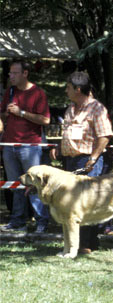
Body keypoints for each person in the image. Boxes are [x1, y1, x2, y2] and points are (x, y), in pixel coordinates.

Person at [50, 71, 113, 253]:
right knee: (71, 203)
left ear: (78, 89)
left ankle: (88, 244)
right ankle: (73, 244)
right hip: (70, 162)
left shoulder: (97, 108)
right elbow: (69, 134)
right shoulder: (70, 108)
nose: (66, 91)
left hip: (88, 161)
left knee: (86, 203)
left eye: (68, 88)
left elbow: (105, 136)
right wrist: (58, 149)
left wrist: (93, 158)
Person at [0, 59, 50, 233]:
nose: (10, 76)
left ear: (25, 73)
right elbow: (3, 115)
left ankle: (42, 220)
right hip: (9, 144)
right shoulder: (10, 91)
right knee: (15, 186)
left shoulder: (38, 93)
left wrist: (21, 113)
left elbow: (45, 120)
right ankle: (18, 220)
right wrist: (6, 113)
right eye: (10, 73)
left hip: (30, 146)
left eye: (14, 73)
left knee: (35, 185)